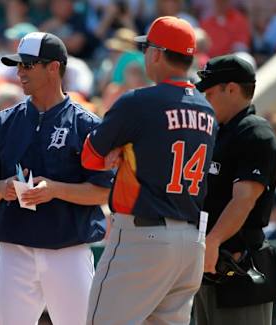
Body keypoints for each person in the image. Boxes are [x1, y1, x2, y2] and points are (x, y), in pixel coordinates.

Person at [81, 16, 217, 325]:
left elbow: (90, 157)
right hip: (191, 241)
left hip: (144, 237)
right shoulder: (207, 108)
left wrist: (120, 151)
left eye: (146, 49)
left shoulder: (139, 102)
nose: (144, 56)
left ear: (156, 53)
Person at [0, 32, 114, 325]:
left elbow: (102, 192)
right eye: (19, 65)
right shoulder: (3, 121)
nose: (20, 72)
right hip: (15, 247)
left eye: (28, 65)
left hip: (68, 248)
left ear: (53, 67)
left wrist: (55, 190)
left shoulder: (86, 123)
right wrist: (3, 188)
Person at [193, 54, 276, 324]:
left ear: (231, 89)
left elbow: (244, 199)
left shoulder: (254, 132)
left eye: (209, 92)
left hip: (239, 264)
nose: (205, 99)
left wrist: (213, 242)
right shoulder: (219, 132)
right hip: (211, 263)